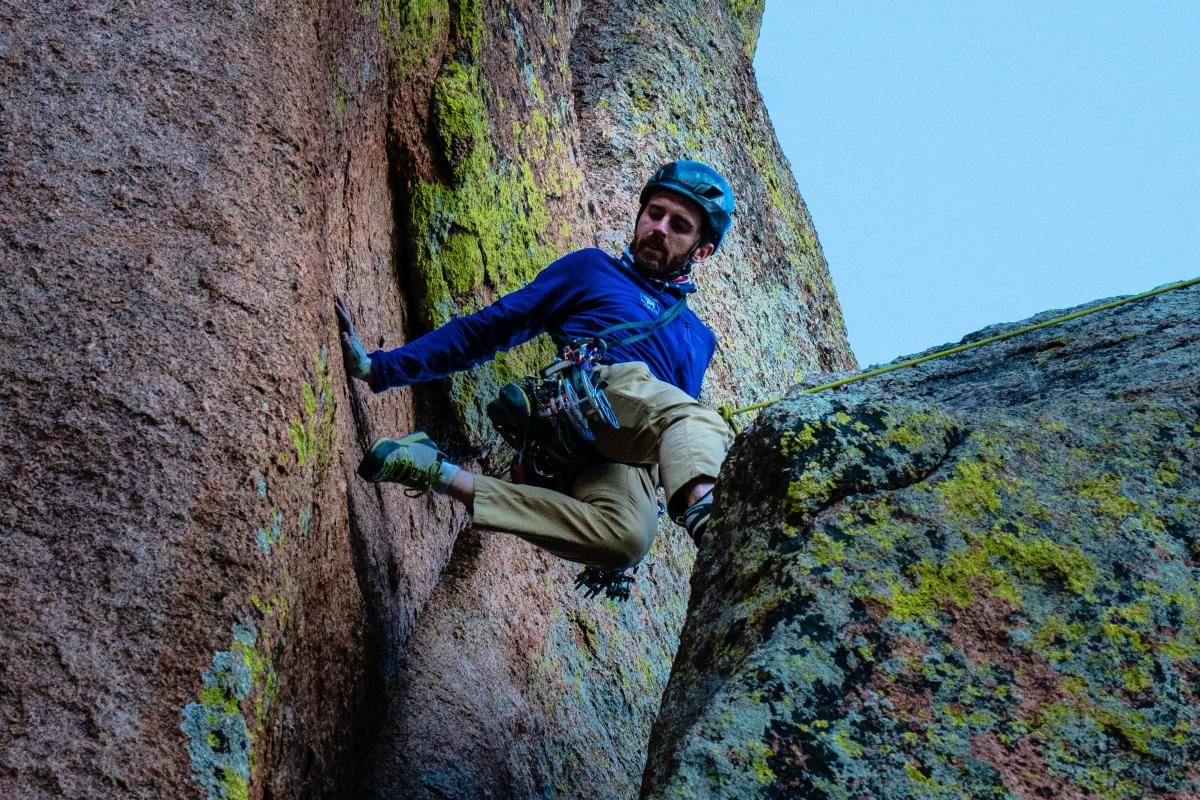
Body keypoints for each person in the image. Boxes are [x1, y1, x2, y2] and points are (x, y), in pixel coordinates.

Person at [337, 160, 735, 573]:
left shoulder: (698, 338)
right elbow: (488, 329)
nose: (659, 228)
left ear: (701, 250)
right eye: (654, 214)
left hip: (628, 447)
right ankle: (710, 519)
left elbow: (670, 426)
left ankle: (436, 471)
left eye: (679, 225)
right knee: (697, 418)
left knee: (628, 538)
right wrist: (379, 368)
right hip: (587, 395)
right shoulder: (594, 269)